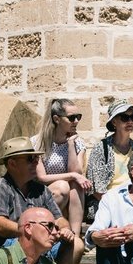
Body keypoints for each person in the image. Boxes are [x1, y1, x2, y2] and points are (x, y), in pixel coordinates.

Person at [0, 137, 82, 264]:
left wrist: (65, 229)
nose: (36, 162)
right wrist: (31, 231)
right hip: (11, 246)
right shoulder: (0, 187)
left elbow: (59, 218)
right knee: (33, 241)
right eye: (30, 159)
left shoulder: (41, 190)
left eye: (36, 158)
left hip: (40, 244)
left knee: (76, 244)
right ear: (12, 164)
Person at [32, 98, 93, 254]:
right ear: (56, 119)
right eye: (72, 118)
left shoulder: (78, 143)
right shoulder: (38, 142)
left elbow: (77, 172)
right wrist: (72, 175)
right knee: (63, 185)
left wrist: (71, 144)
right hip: (44, 194)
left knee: (76, 184)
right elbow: (41, 177)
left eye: (78, 116)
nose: (76, 121)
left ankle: (75, 236)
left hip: (68, 199)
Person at [84, 100, 133, 222]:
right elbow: (97, 190)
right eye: (124, 117)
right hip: (107, 203)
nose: (130, 121)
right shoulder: (101, 148)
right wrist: (120, 207)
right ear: (114, 122)